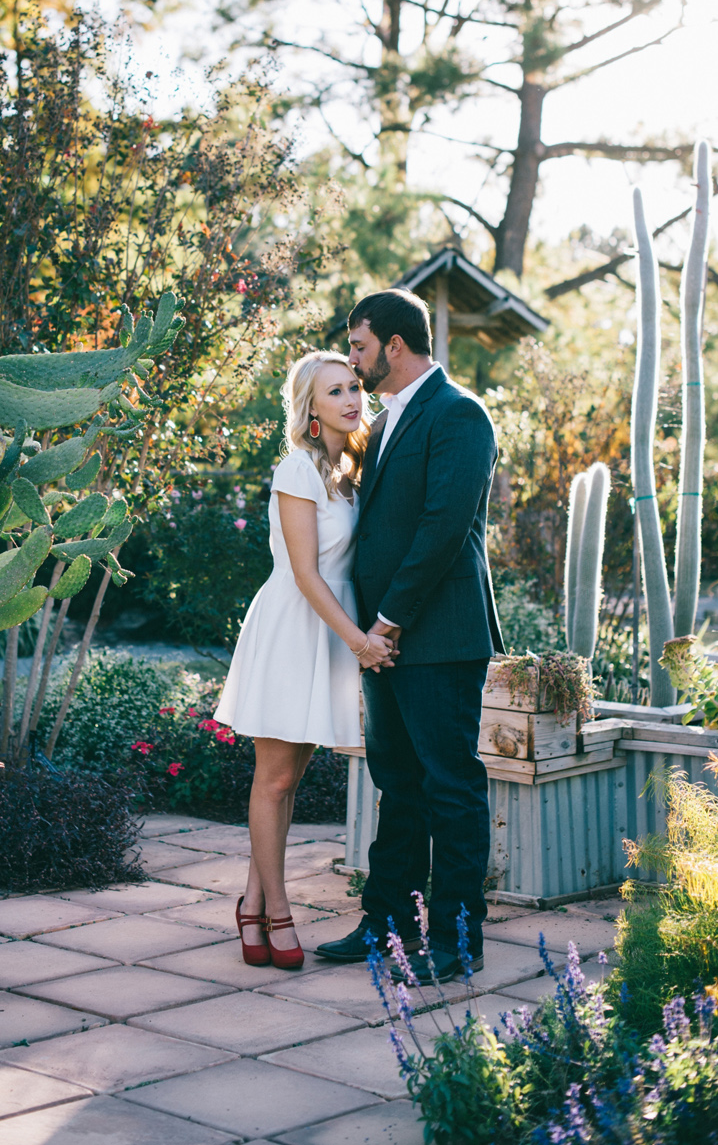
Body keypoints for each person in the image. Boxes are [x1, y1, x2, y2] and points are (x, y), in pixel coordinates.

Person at [315, 289, 505, 983]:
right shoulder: (389, 418)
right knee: (398, 786)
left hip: (437, 638)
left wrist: (386, 622)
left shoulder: (460, 414)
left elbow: (442, 530)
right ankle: (386, 922)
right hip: (385, 641)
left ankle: (458, 941)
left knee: (451, 788)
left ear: (395, 345)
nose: (354, 359)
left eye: (359, 346)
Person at [215, 350, 395, 969]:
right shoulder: (298, 468)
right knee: (275, 778)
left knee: (291, 778)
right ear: (311, 410)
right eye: (335, 392)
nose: (351, 398)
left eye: (354, 387)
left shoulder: (349, 467)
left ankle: (252, 902)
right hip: (298, 628)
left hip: (331, 633)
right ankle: (278, 911)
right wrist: (360, 641)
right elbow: (304, 573)